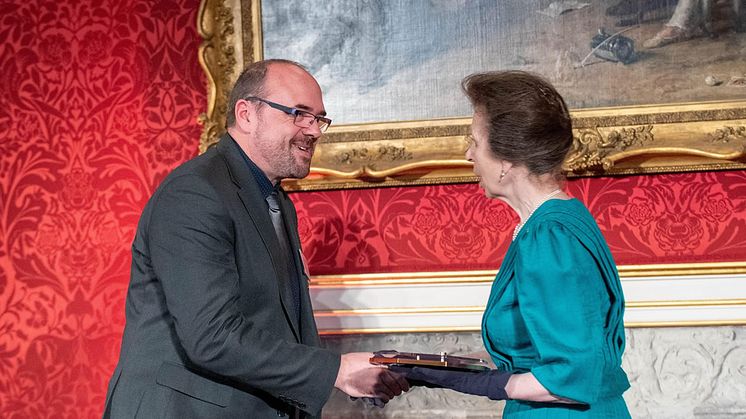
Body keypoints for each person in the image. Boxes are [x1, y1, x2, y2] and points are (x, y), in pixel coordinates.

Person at [102, 59, 408, 418]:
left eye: (319, 119)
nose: (314, 131)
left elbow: (274, 324)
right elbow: (212, 336)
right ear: (246, 114)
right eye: (299, 114)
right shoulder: (195, 193)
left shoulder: (275, 200)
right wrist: (336, 371)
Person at [392, 71, 631, 418]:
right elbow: (529, 353)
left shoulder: (550, 236)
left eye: (474, 141)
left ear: (506, 160)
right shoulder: (556, 222)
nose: (468, 155)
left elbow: (568, 377)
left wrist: (481, 384)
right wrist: (429, 367)